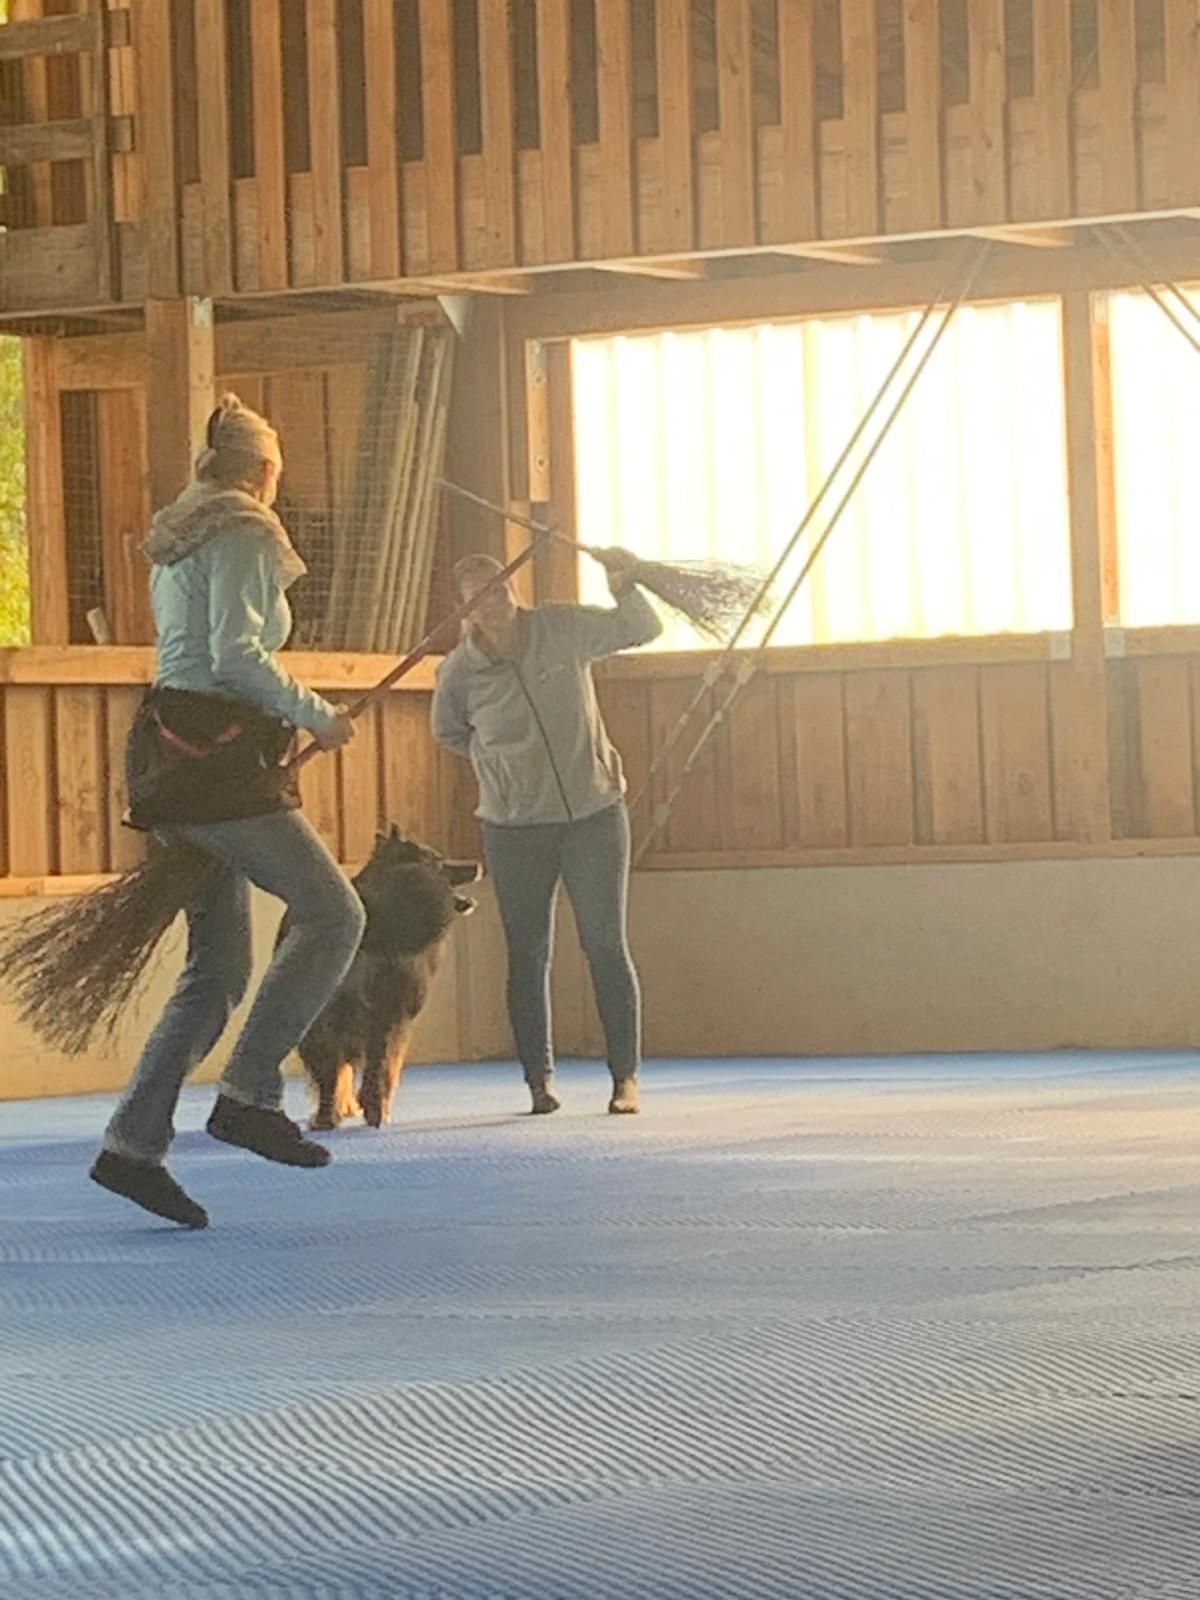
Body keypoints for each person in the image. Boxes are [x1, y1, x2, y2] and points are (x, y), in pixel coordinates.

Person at [89, 395, 366, 1230]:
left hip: (171, 756)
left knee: (215, 974)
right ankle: (249, 1092)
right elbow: (236, 655)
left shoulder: (179, 532)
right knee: (334, 913)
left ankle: (131, 1147)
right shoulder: (244, 531)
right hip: (217, 766)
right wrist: (319, 715)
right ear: (264, 470)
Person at [431, 547, 662, 1116]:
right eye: (479, 597)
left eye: (500, 588)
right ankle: (539, 1081)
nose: (494, 603)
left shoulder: (562, 627)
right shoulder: (458, 672)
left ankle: (625, 1078)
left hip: (594, 813)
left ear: (514, 588)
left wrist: (624, 584)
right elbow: (449, 732)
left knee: (605, 943)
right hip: (513, 827)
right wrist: (502, 768)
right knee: (527, 951)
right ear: (465, 610)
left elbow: (642, 628)